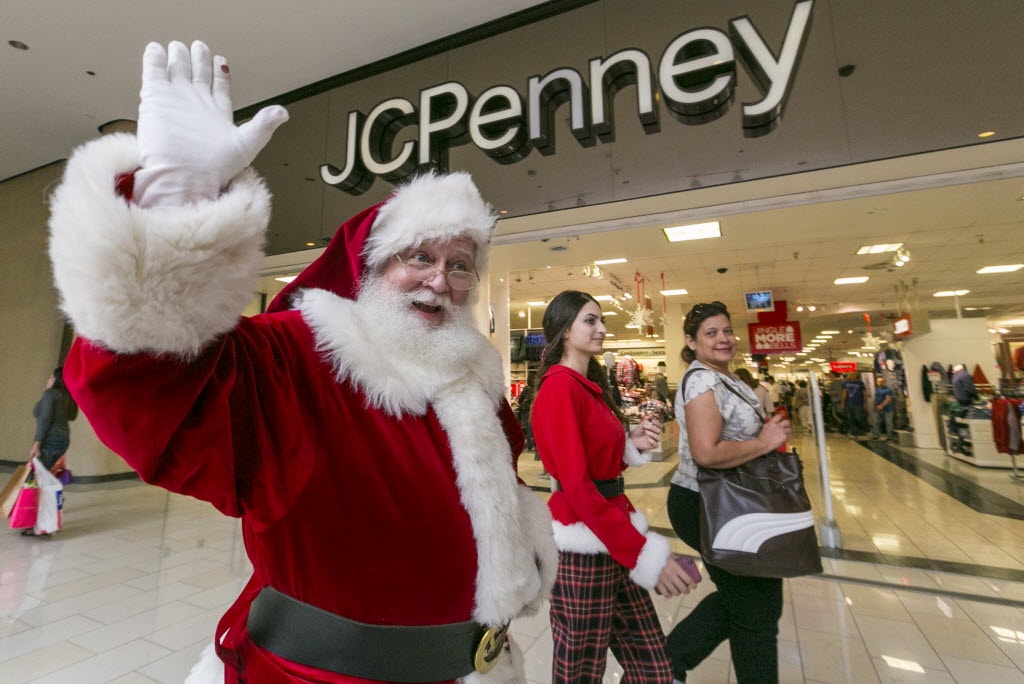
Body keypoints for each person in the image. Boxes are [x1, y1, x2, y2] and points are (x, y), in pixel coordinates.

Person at [47, 40, 556, 684]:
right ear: (370, 268)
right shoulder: (299, 357)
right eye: (419, 257)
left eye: (460, 266)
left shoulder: (472, 381)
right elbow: (145, 379)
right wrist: (174, 208)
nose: (441, 280)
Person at [529, 290, 695, 684]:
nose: (602, 328)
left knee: (654, 666)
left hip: (611, 535)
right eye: (590, 320)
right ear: (565, 330)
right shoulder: (560, 388)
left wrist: (628, 443)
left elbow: (596, 461)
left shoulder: (587, 386)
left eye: (601, 320)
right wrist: (643, 554)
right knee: (580, 671)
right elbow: (576, 485)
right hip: (583, 546)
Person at [665, 300, 790, 684]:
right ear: (691, 341)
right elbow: (706, 453)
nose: (723, 339)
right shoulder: (701, 379)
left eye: (726, 331)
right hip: (708, 502)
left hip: (733, 502)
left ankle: (663, 665)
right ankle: (663, 664)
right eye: (711, 333)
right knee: (756, 608)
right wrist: (765, 442)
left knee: (756, 602)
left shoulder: (728, 378)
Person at [30, 366, 78, 471]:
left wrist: (37, 442)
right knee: (48, 474)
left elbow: (45, 418)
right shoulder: (68, 397)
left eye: (51, 377)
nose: (48, 380)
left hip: (49, 439)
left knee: (37, 475)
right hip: (63, 440)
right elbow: (72, 416)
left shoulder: (50, 394)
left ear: (57, 379)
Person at [841, 372, 867, 439]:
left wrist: (865, 403)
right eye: (850, 374)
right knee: (850, 418)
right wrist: (843, 402)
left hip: (858, 403)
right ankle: (853, 432)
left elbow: (864, 393)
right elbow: (844, 392)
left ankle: (859, 431)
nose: (851, 375)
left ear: (856, 375)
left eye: (853, 374)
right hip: (849, 403)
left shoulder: (860, 383)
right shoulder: (846, 383)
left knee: (857, 417)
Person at [869, 375, 896, 441]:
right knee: (876, 422)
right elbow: (876, 398)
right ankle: (876, 435)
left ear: (885, 382)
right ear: (876, 382)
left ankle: (890, 436)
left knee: (888, 423)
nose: (880, 383)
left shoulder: (888, 390)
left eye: (882, 381)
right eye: (878, 381)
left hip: (888, 410)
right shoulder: (877, 389)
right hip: (877, 409)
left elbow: (888, 399)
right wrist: (874, 406)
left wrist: (881, 406)